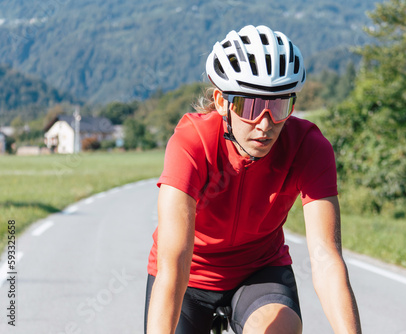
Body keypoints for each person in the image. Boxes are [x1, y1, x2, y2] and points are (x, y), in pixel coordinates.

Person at [144, 25, 362, 334]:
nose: (266, 124)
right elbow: (174, 261)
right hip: (190, 275)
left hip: (260, 271)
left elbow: (326, 257)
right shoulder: (191, 144)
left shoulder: (309, 147)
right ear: (222, 103)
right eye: (251, 106)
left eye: (278, 106)